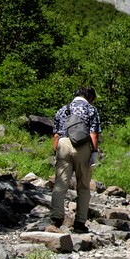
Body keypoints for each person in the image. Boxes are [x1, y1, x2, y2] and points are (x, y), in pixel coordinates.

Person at [50, 85, 101, 232]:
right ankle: (79, 223)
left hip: (63, 144)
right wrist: (94, 152)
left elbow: (56, 134)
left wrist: (56, 151)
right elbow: (94, 134)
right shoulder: (91, 110)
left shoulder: (63, 109)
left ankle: (56, 220)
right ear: (90, 97)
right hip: (83, 146)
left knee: (60, 184)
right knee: (83, 187)